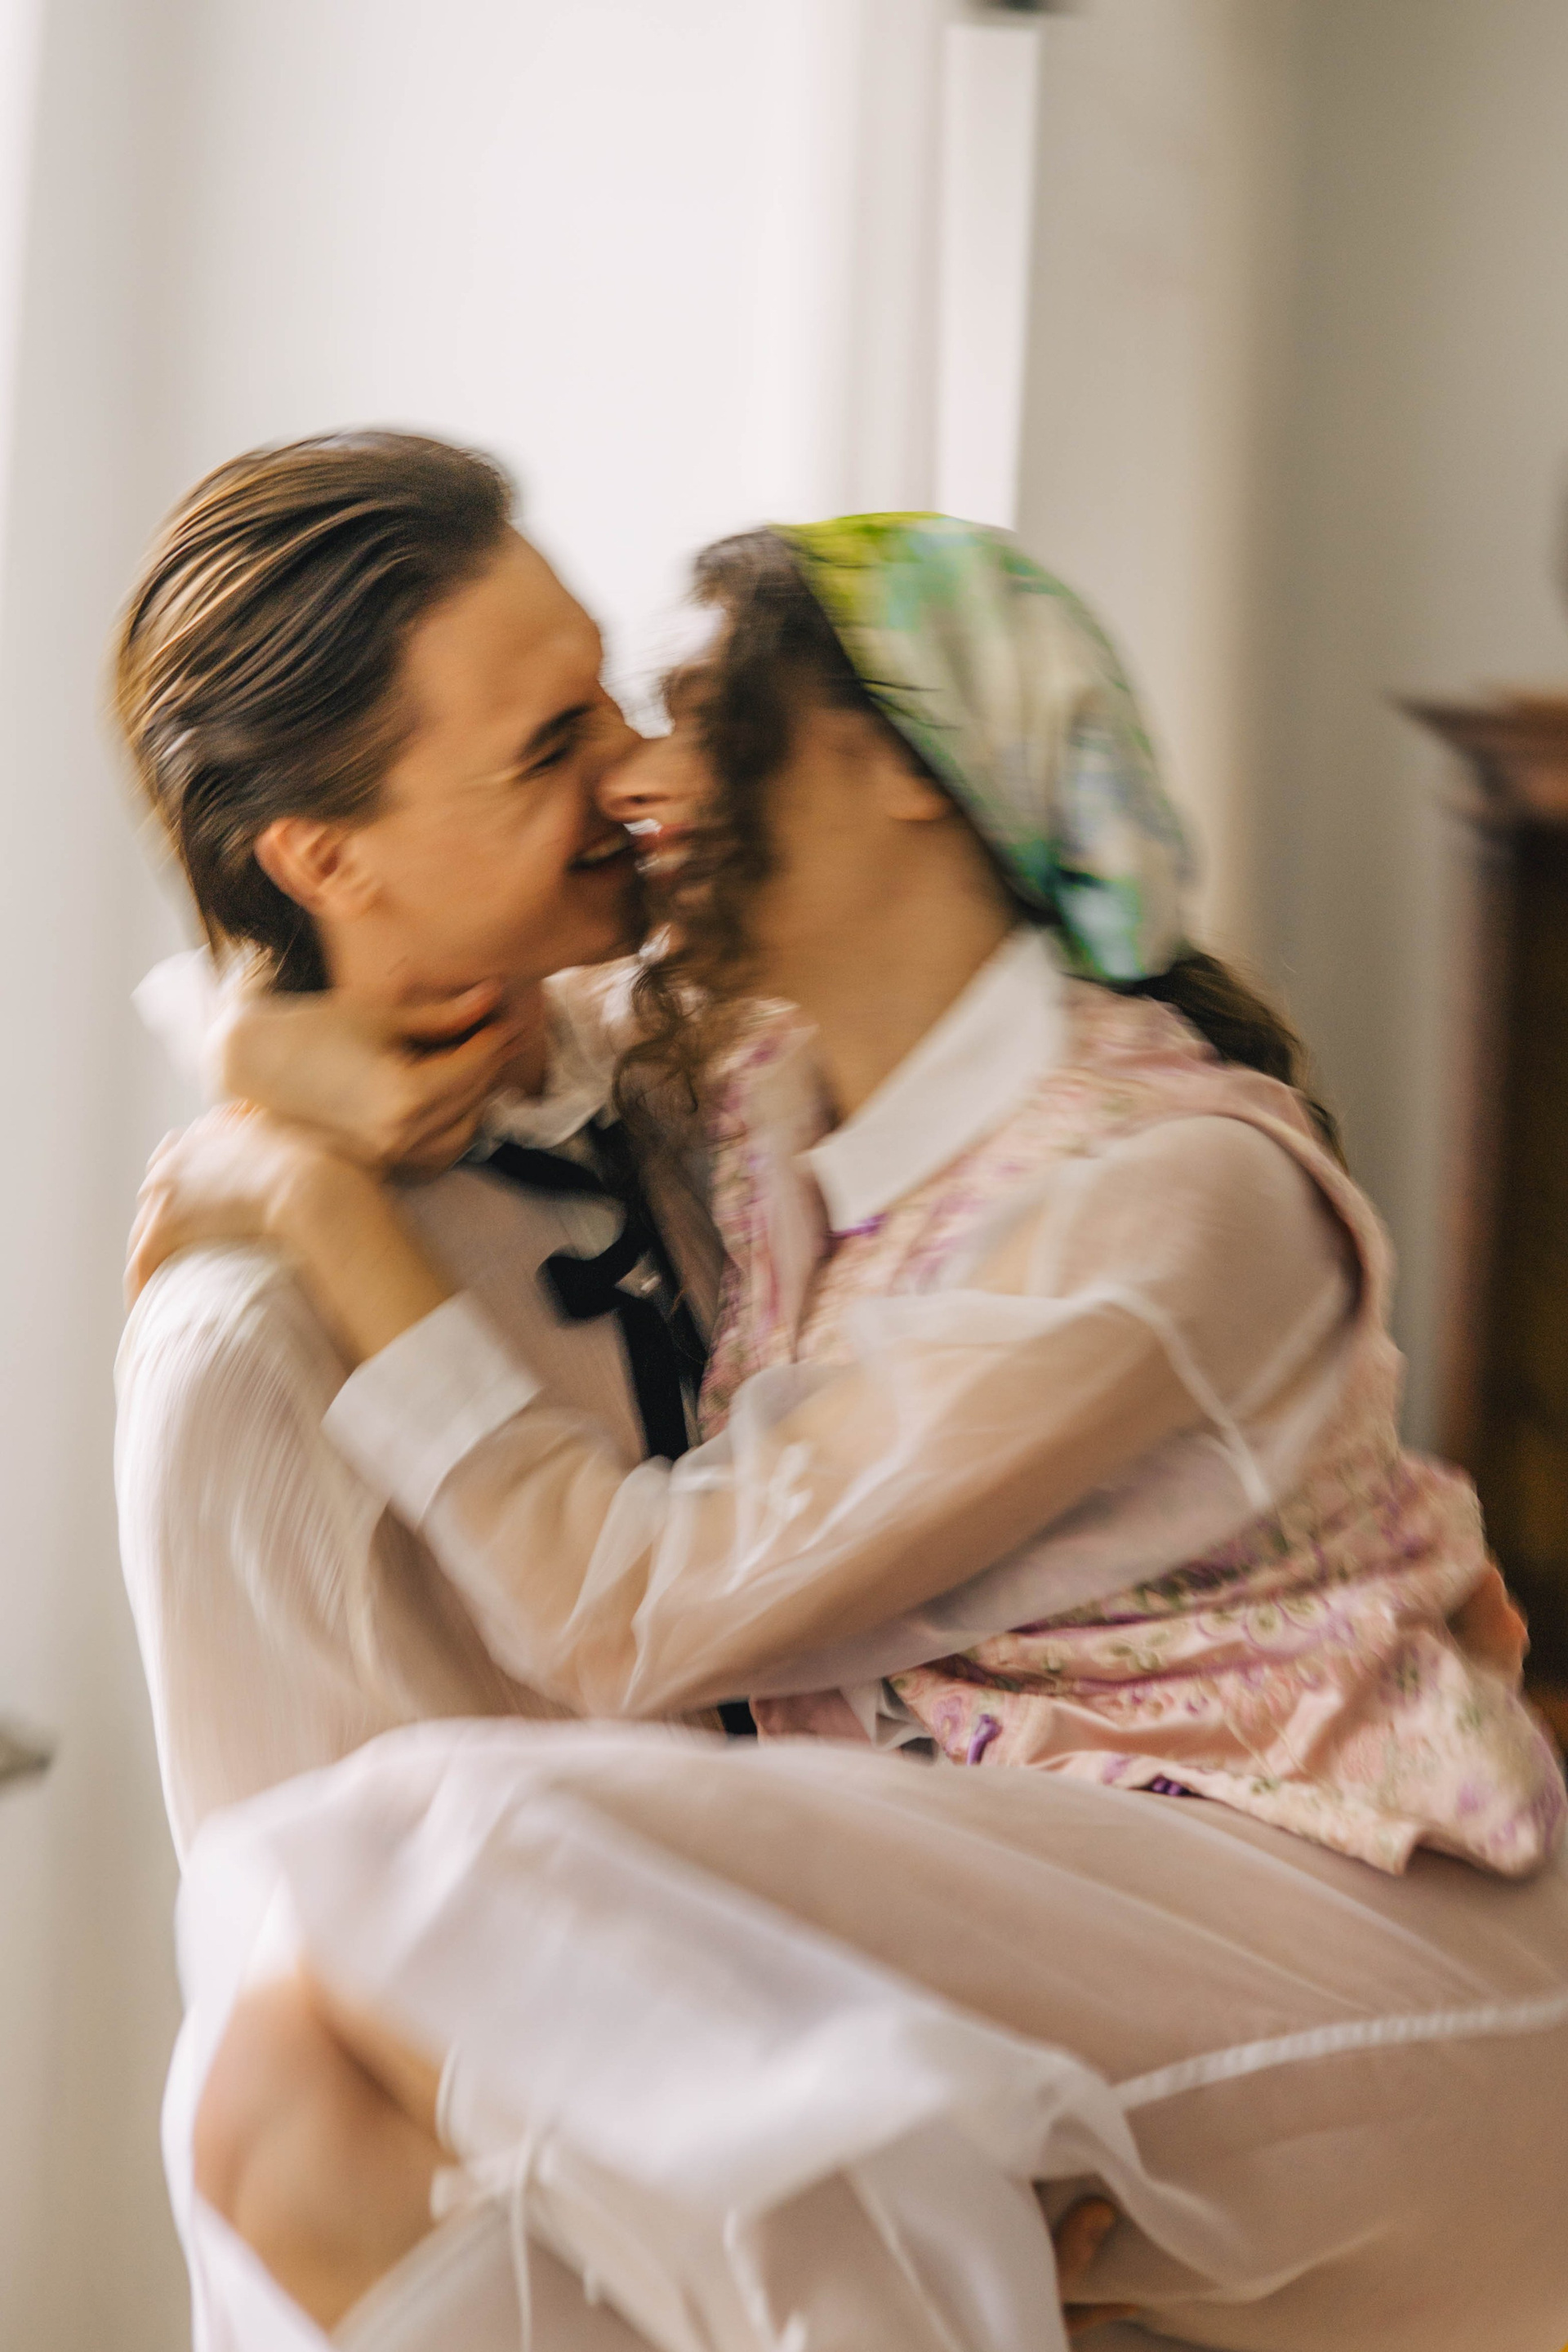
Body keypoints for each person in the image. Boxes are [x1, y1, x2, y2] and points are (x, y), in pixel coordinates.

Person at [131, 497, 1568, 2352]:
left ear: (901, 759)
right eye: (565, 739)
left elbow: (623, 1622)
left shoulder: (1153, 1190)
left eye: (677, 712)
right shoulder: (757, 1086)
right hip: (1058, 1909)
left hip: (1349, 1946)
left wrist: (306, 1195)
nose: (637, 779)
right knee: (271, 2090)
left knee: (421, 1842)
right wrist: (250, 1058)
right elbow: (425, 1004)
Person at [114, 431, 724, 1857]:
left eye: (609, 696)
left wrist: (236, 1038)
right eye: (549, 747)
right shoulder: (244, 1348)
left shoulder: (705, 1070)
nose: (635, 767)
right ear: (325, 858)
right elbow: (309, 1916)